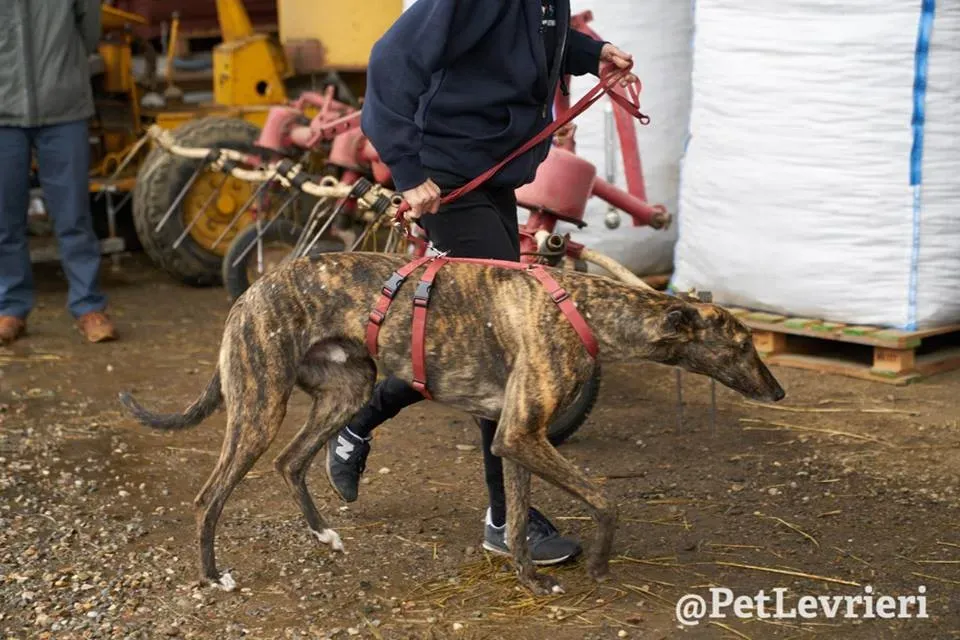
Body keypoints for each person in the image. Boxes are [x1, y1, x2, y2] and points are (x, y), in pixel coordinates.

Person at [325, 0, 637, 564]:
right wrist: (408, 172)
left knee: (470, 347)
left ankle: (357, 422)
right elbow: (392, 58)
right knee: (499, 351)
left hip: (491, 175)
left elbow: (532, 36)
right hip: (446, 178)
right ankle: (505, 518)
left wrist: (591, 54)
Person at [0, 0, 117, 345]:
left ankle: (88, 306)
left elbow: (89, 30)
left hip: (64, 108)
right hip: (3, 112)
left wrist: (62, 70)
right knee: (5, 220)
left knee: (74, 216)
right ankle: (10, 307)